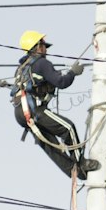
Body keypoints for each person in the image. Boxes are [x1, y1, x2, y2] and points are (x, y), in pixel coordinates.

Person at [12, 31, 90, 178]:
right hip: (34, 109)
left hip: (20, 113)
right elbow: (61, 83)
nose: (46, 50)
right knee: (68, 128)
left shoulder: (22, 68)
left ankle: (73, 171)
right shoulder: (42, 63)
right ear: (37, 47)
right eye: (43, 46)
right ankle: (81, 163)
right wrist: (73, 73)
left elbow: (38, 83)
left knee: (49, 142)